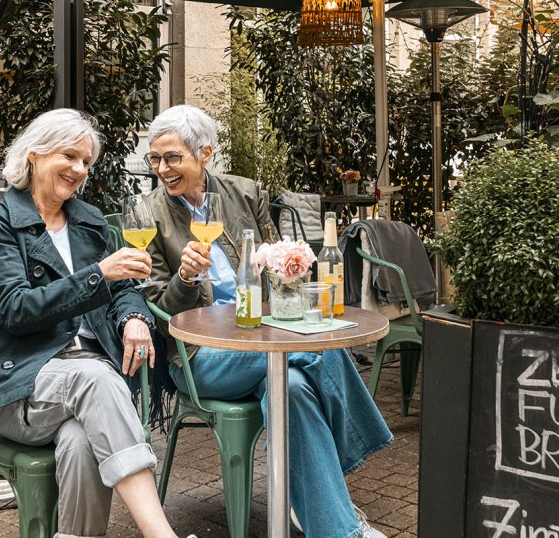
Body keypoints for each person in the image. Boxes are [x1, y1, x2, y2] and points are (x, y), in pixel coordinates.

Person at [140, 105, 393, 538]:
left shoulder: (244, 193)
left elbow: (277, 267)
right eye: (155, 158)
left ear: (204, 153)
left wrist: (286, 266)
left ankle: (331, 525)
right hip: (199, 356)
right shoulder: (151, 214)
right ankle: (356, 446)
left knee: (292, 388)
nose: (162, 168)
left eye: (172, 157)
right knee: (318, 346)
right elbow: (159, 309)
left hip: (262, 335)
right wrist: (184, 278)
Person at [0, 108, 190, 538]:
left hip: (83, 388)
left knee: (82, 442)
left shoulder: (87, 220)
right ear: (34, 155)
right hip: (21, 387)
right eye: (69, 156)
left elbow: (124, 290)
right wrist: (98, 274)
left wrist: (136, 317)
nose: (79, 169)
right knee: (97, 379)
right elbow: (15, 309)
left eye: (86, 161)